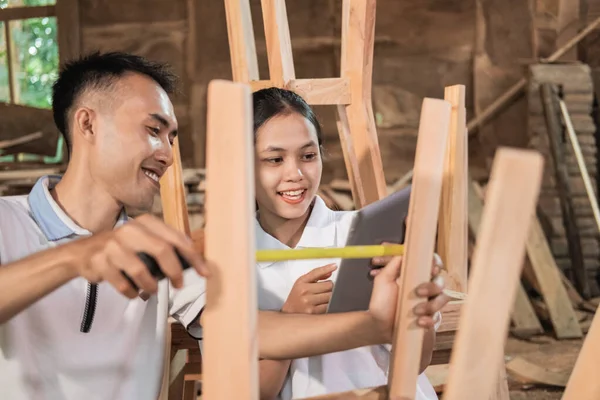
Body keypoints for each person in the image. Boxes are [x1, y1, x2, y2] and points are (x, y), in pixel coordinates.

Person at [0, 52, 409, 400]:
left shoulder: (160, 250)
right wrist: (78, 254)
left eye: (171, 137)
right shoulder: (7, 220)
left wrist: (375, 324)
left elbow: (251, 331)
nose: (167, 154)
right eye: (153, 130)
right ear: (87, 124)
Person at [251, 88, 450, 400]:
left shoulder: (367, 235)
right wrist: (289, 319)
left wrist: (417, 302)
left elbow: (416, 364)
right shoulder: (233, 262)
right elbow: (258, 392)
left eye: (308, 156)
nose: (296, 174)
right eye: (275, 159)